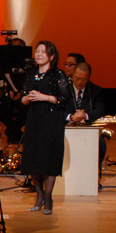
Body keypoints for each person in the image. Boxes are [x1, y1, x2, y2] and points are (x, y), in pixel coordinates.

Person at [21, 40, 69, 214]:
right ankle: (39, 195)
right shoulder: (31, 74)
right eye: (37, 51)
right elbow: (22, 98)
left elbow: (64, 99)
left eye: (43, 51)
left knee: (48, 160)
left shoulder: (58, 74)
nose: (39, 54)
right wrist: (27, 98)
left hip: (51, 122)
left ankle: (48, 198)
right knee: (33, 161)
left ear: (52, 56)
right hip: (34, 121)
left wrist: (44, 97)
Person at [66, 61, 107, 172]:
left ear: (88, 78)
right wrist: (71, 117)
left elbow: (100, 110)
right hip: (67, 126)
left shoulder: (95, 90)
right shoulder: (64, 89)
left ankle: (94, 172)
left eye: (84, 79)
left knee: (101, 143)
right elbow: (58, 110)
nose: (80, 82)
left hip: (88, 127)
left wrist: (86, 115)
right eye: (77, 78)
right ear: (72, 76)